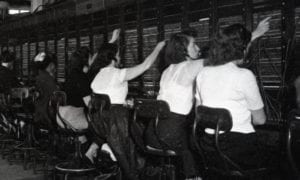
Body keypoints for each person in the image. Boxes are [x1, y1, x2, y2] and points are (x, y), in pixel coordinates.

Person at [195, 17, 270, 169]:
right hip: (238, 148)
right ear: (243, 49)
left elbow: (199, 111)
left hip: (209, 146)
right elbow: (260, 120)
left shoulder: (203, 73)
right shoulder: (244, 75)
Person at [90, 37, 165, 180]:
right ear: (113, 57)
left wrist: (121, 102)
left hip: (102, 124)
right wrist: (159, 47)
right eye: (118, 54)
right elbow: (145, 65)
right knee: (143, 134)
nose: (119, 57)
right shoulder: (118, 74)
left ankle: (112, 154)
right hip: (117, 123)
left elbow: (107, 98)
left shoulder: (98, 75)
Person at [145, 29, 203, 180]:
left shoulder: (167, 71)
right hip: (172, 134)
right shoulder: (189, 67)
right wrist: (253, 36)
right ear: (184, 50)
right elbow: (223, 58)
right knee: (201, 150)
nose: (198, 48)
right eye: (194, 45)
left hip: (153, 133)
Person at [33, 52, 59, 129]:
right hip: (48, 117)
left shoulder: (40, 77)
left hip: (40, 115)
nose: (56, 68)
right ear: (51, 65)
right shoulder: (48, 80)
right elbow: (57, 98)